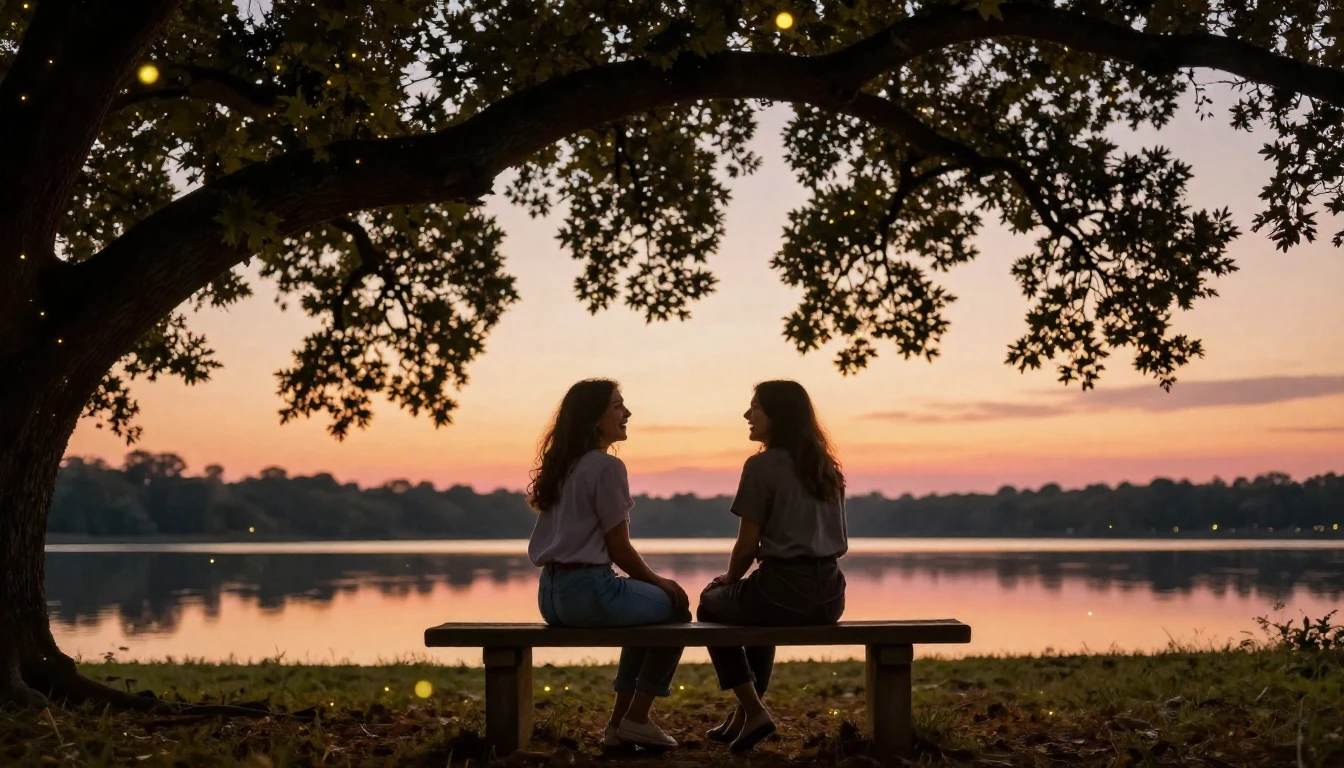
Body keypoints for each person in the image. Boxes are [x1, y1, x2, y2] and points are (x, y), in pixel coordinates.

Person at [526, 378, 691, 749]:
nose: (626, 413)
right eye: (618, 406)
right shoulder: (606, 467)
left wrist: (648, 585)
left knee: (646, 612)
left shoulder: (562, 467)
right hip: (589, 592)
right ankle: (636, 718)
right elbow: (620, 550)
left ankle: (619, 727)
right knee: (677, 613)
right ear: (594, 417)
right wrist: (660, 582)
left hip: (551, 598)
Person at [697, 380, 849, 753]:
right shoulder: (826, 467)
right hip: (831, 595)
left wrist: (726, 581)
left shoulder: (761, 465)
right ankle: (743, 716)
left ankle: (754, 709)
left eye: (756, 407)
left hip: (783, 590)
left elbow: (747, 545)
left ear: (778, 416)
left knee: (709, 605)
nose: (748, 415)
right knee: (755, 615)